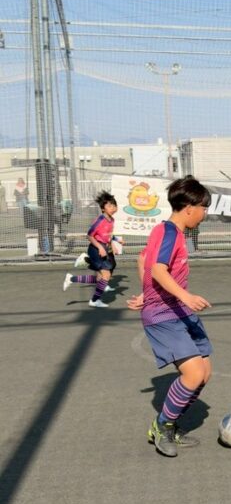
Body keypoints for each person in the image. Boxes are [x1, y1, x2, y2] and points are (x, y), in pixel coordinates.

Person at [126, 175, 213, 458]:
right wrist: (185, 296)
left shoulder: (166, 231)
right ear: (189, 208)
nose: (204, 214)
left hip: (177, 310)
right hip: (163, 314)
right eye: (203, 208)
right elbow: (157, 269)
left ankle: (171, 425)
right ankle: (161, 426)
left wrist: (146, 292)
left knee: (204, 372)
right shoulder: (169, 233)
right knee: (194, 373)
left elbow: (143, 259)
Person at [63, 190, 119, 307]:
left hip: (104, 248)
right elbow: (89, 235)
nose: (113, 208)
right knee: (106, 275)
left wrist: (114, 244)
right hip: (95, 249)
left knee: (101, 278)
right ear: (103, 209)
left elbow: (108, 235)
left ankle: (72, 279)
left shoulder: (112, 220)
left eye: (114, 205)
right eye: (110, 206)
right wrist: (100, 248)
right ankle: (94, 301)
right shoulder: (100, 220)